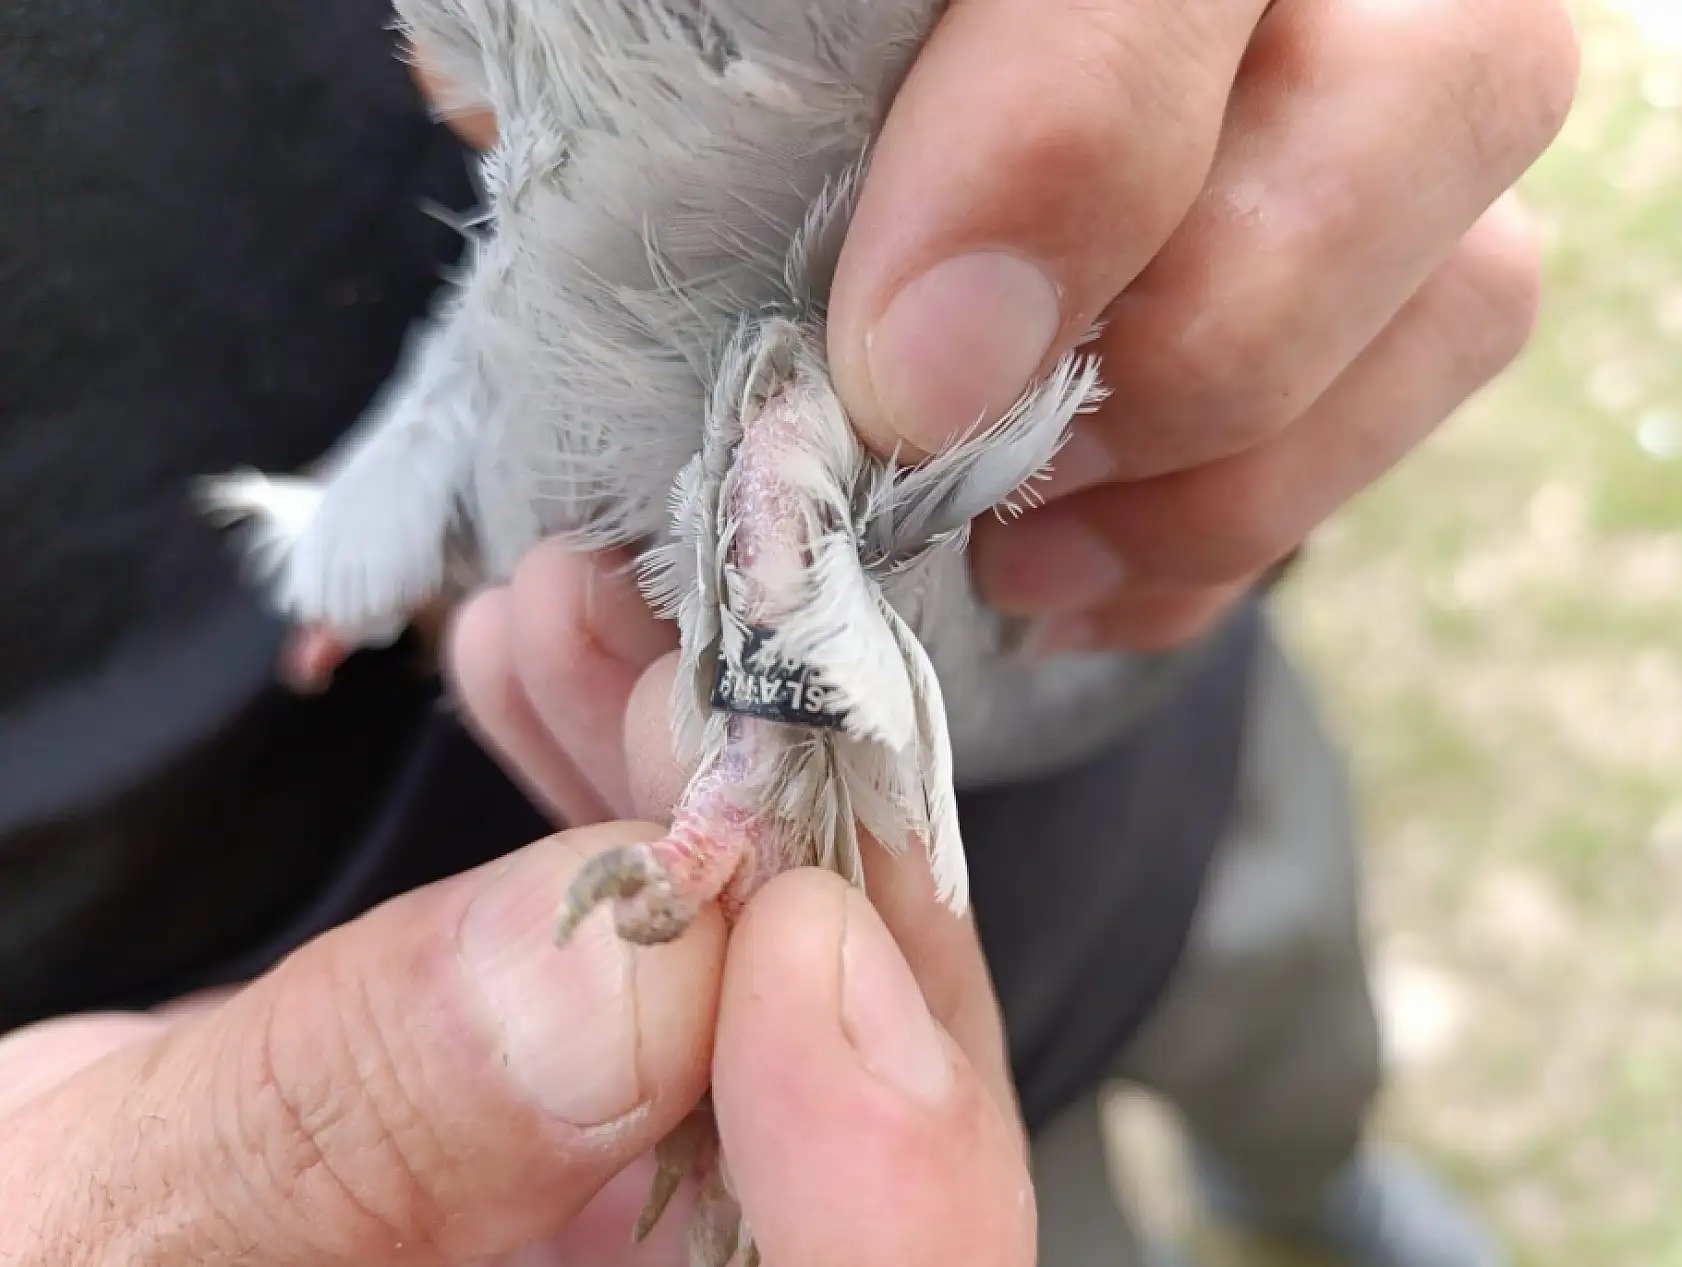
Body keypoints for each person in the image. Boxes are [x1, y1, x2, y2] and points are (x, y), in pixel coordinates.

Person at [0, 0, 1577, 1264]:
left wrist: (1281, 190)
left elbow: (513, 212)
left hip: (1135, 721)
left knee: (1281, 1020)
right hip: (539, 1089)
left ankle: (1304, 1186)